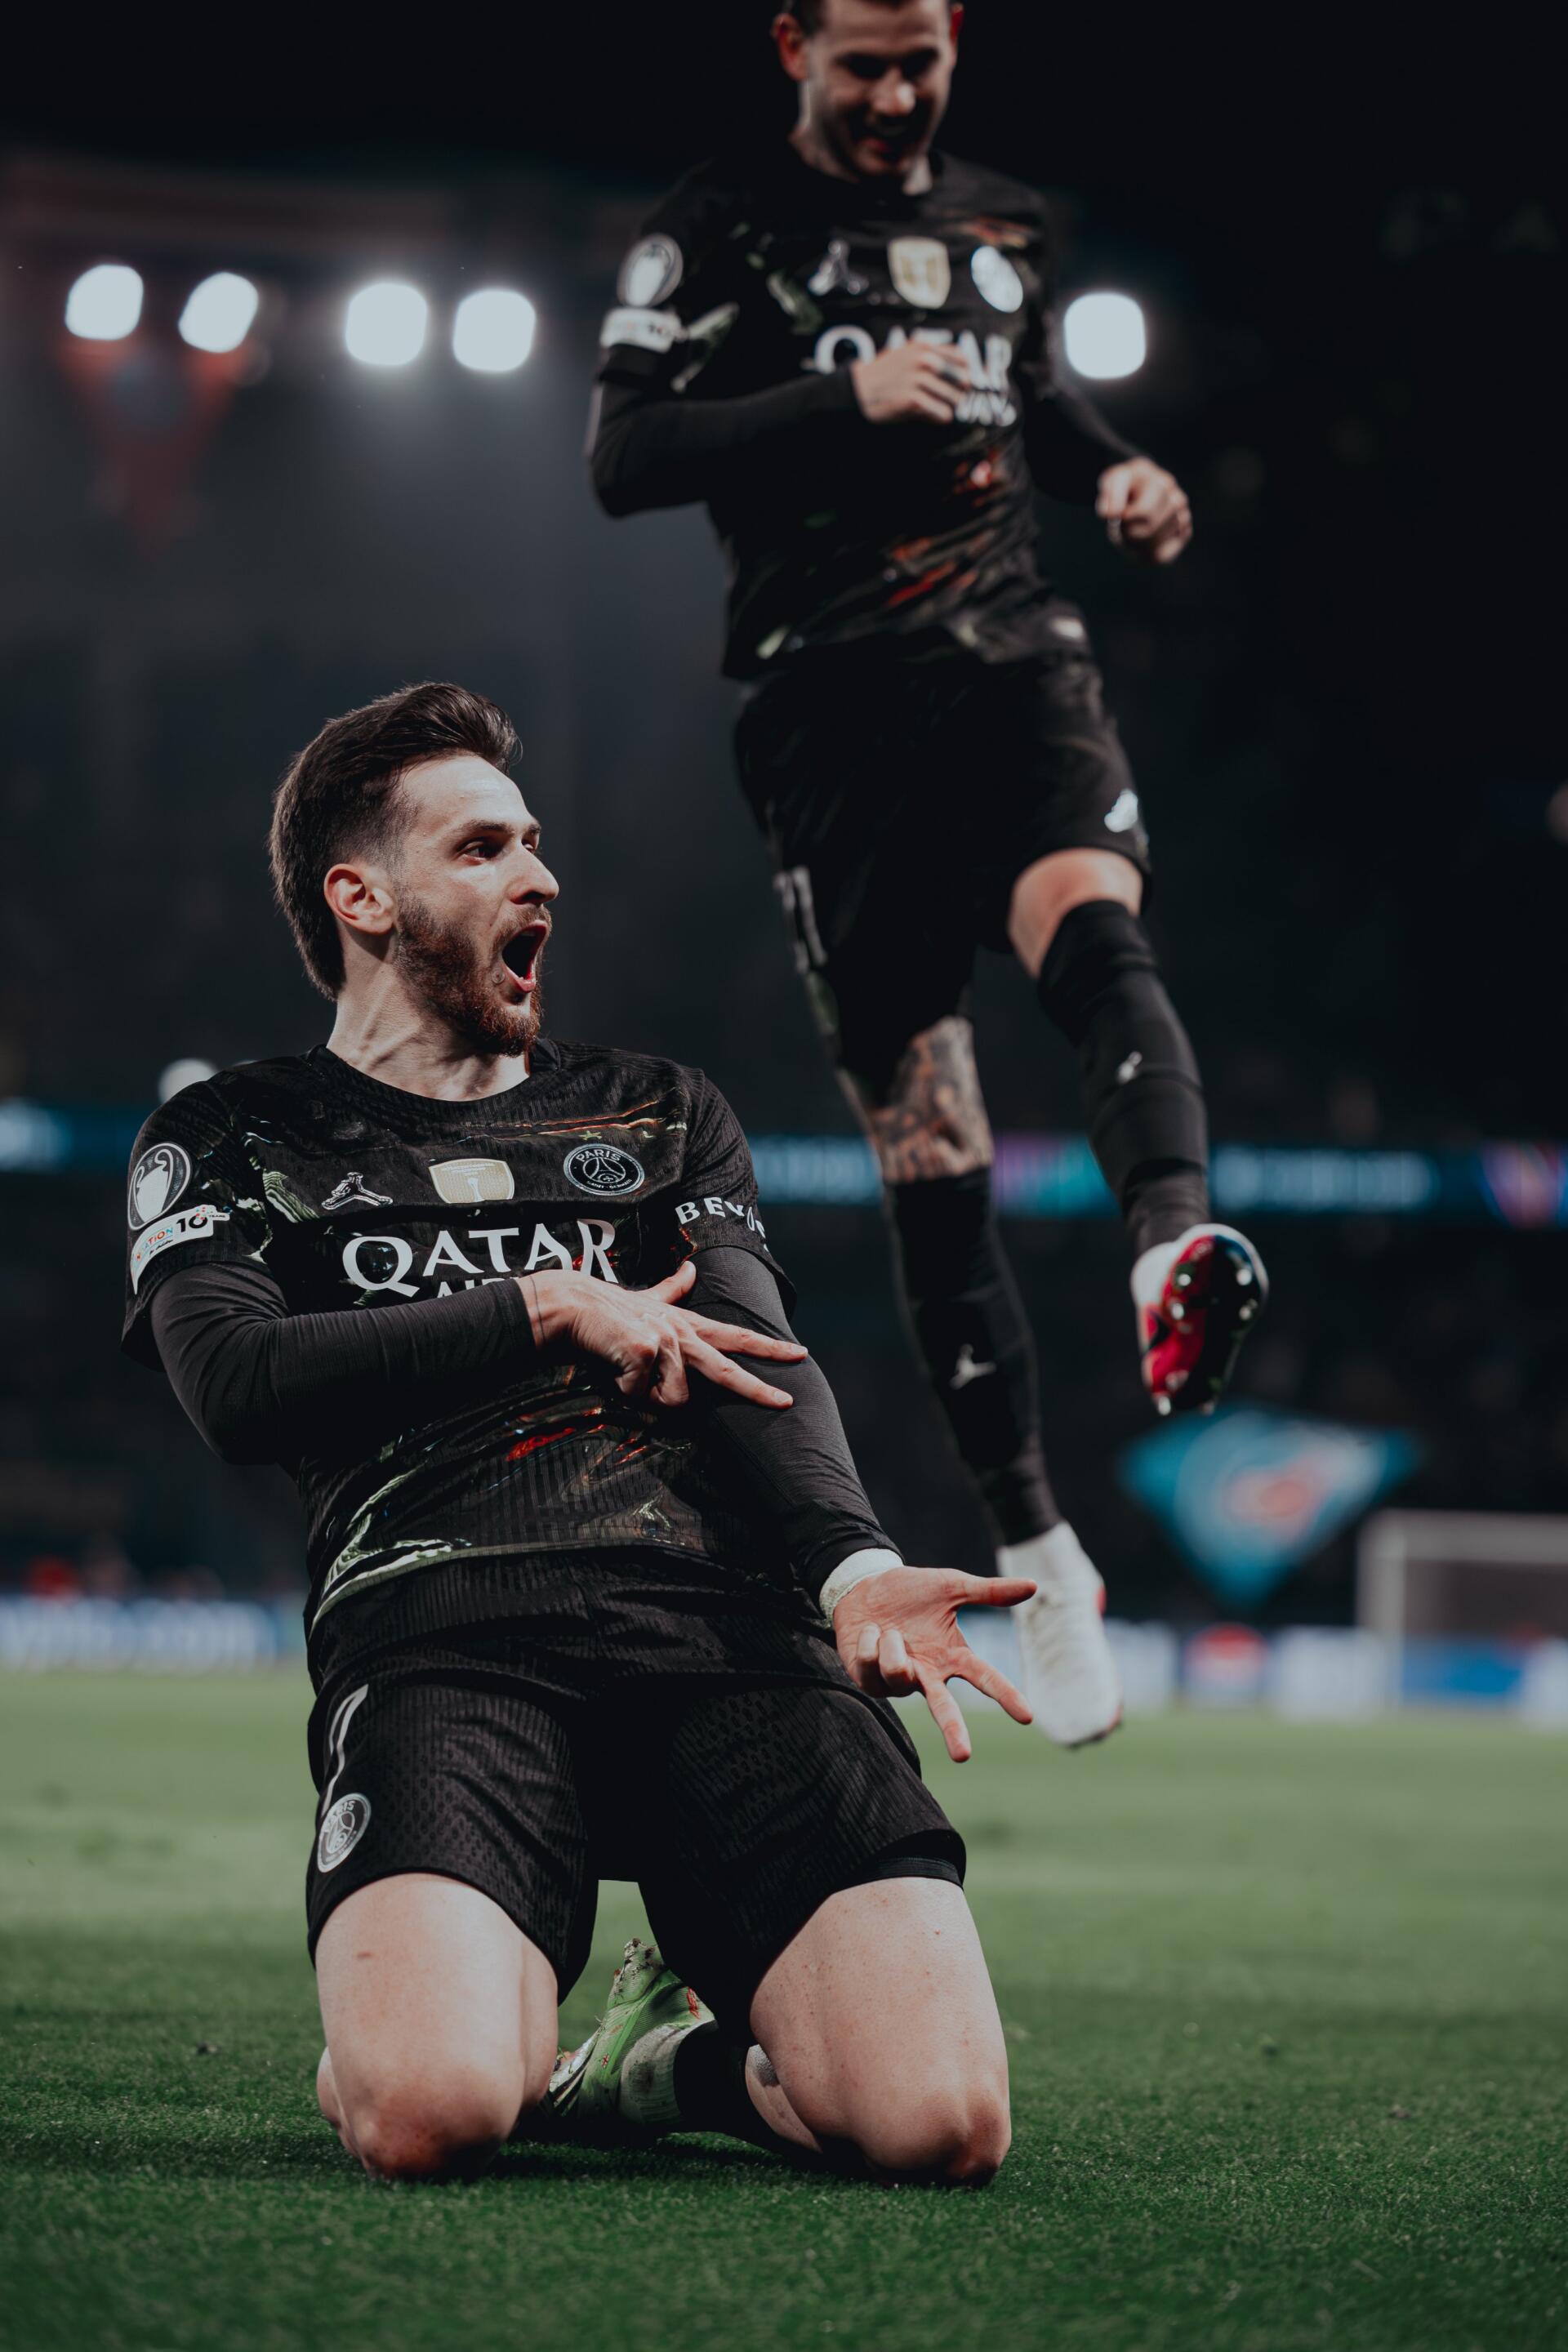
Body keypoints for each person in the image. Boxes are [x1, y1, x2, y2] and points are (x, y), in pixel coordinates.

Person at [122, 680, 1035, 2186]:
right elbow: (231, 1382)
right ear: (362, 895)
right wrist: (541, 1305)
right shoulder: (233, 1134)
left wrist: (854, 1567)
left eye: (536, 845)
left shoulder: (659, 1111)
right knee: (430, 2114)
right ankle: (562, 2045)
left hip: (726, 1639)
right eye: (481, 849)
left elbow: (760, 1349)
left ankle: (682, 2065)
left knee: (940, 2125)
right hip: (444, 1645)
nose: (538, 876)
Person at [588, 0, 1268, 1749]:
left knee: (1096, 927)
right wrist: (839, 394)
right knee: (931, 1148)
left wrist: (1117, 473)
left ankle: (1169, 1241)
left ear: (956, 39)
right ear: (793, 44)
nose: (898, 97)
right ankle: (1039, 1535)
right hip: (829, 706)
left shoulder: (1010, 220)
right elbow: (625, 455)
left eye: (926, 62)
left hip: (1013, 657)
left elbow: (1040, 400)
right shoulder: (716, 225)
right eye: (864, 66)